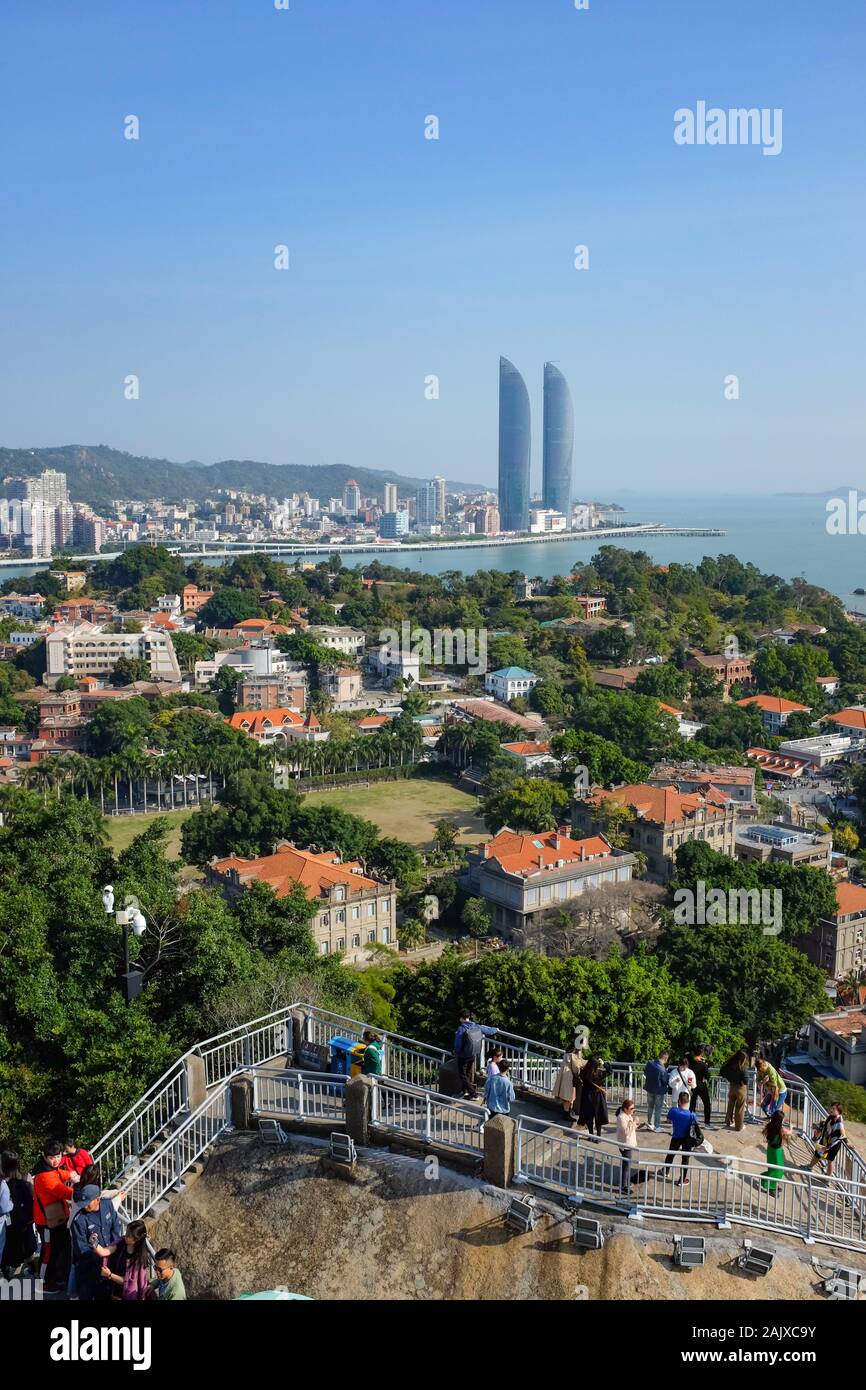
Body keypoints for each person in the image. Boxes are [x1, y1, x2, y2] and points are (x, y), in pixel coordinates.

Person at [33, 1138, 74, 1291]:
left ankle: (58, 1276)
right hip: (46, 1222)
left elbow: (59, 1173)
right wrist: (84, 1192)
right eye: (52, 1157)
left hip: (56, 1217)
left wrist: (70, 1174)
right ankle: (43, 1282)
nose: (56, 1160)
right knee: (49, 1250)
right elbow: (64, 1191)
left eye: (58, 1156)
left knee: (59, 1247)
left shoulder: (47, 1168)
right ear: (45, 1157)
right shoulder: (45, 1176)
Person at [70, 1183, 122, 1301]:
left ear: (97, 1199)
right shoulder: (79, 1221)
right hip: (91, 1266)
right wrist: (100, 1260)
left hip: (111, 1259)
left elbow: (116, 1226)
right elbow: (82, 1249)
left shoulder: (107, 1204)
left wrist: (113, 1248)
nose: (85, 1206)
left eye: (88, 1202)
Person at [0, 1151, 36, 1276]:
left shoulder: (3, 1182)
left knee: (8, 1245)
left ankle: (7, 1271)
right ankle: (32, 1267)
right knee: (27, 1241)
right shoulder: (25, 1177)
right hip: (25, 1217)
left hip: (9, 1220)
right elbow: (32, 1197)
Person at [102, 1219, 152, 1301]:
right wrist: (94, 1244)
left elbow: (127, 1281)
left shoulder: (138, 1259)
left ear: (136, 1240)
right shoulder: (122, 1243)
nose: (125, 1235)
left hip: (126, 1295)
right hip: (113, 1289)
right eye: (126, 1232)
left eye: (128, 1235)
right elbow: (106, 1251)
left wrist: (109, 1275)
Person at [453, 1010, 497, 1100]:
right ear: (469, 1017)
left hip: (463, 1055)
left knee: (462, 1074)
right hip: (473, 1054)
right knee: (467, 1073)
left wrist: (455, 1052)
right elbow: (488, 1031)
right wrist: (495, 1029)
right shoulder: (475, 1026)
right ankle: (464, 1092)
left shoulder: (461, 1029)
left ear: (461, 1018)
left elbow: (458, 1044)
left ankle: (473, 1094)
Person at [664, 1092, 701, 1185]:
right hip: (688, 1139)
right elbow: (696, 1125)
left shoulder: (673, 1111)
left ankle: (665, 1172)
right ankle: (682, 1180)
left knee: (670, 1155)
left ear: (679, 1101)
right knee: (685, 1159)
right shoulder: (692, 1115)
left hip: (676, 1137)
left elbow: (668, 1120)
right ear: (688, 1101)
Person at [809, 1102, 845, 1178]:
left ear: (839, 1111)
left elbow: (842, 1134)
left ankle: (828, 1178)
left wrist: (847, 1143)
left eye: (834, 1109)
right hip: (826, 1141)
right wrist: (818, 1127)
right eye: (831, 1108)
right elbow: (826, 1124)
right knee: (818, 1154)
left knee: (830, 1160)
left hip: (833, 1144)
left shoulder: (839, 1121)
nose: (831, 1110)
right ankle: (809, 1167)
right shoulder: (831, 1117)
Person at [616, 1099, 645, 1193]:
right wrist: (634, 1122)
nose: (633, 1110)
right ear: (625, 1109)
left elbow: (631, 1128)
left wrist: (637, 1125)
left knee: (627, 1166)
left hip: (629, 1145)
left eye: (633, 1108)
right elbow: (626, 1132)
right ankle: (624, 1187)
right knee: (626, 1167)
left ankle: (625, 1183)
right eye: (631, 1108)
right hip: (626, 1146)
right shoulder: (621, 1117)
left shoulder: (628, 1115)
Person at [554, 1037, 585, 1120]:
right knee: (568, 1095)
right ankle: (566, 1114)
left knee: (566, 1094)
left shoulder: (569, 1051)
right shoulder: (574, 1053)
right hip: (568, 1075)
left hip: (564, 1073)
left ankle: (567, 1112)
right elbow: (575, 1067)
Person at [761, 1111, 791, 1195]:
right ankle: (771, 1187)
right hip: (777, 1152)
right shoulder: (781, 1129)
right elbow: (789, 1133)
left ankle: (771, 1183)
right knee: (778, 1170)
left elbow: (766, 1133)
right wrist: (791, 1127)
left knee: (773, 1168)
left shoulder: (769, 1126)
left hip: (770, 1149)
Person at [577, 1057, 609, 1137]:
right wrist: (604, 1063)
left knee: (589, 1116)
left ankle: (591, 1136)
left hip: (587, 1096)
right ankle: (598, 1136)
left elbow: (580, 1074)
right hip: (598, 1096)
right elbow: (610, 1071)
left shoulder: (583, 1072)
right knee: (598, 1116)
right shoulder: (599, 1073)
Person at [721, 1049, 750, 1131]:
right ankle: (739, 1126)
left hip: (732, 1087)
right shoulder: (743, 1068)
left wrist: (730, 1078)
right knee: (740, 1107)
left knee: (730, 1104)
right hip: (740, 1088)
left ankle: (728, 1121)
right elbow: (746, 1081)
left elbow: (722, 1072)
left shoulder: (729, 1065)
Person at [643, 1049, 670, 1131]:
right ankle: (657, 1126)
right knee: (658, 1108)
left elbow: (645, 1073)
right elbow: (665, 1080)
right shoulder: (662, 1069)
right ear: (665, 1058)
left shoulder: (650, 1063)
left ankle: (650, 1124)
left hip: (649, 1088)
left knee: (650, 1107)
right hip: (659, 1091)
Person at [688, 1046, 712, 1127]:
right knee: (707, 1104)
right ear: (701, 1054)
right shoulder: (703, 1064)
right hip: (701, 1086)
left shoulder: (689, 1063)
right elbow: (708, 1076)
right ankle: (707, 1123)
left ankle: (692, 1121)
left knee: (692, 1104)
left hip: (692, 1086)